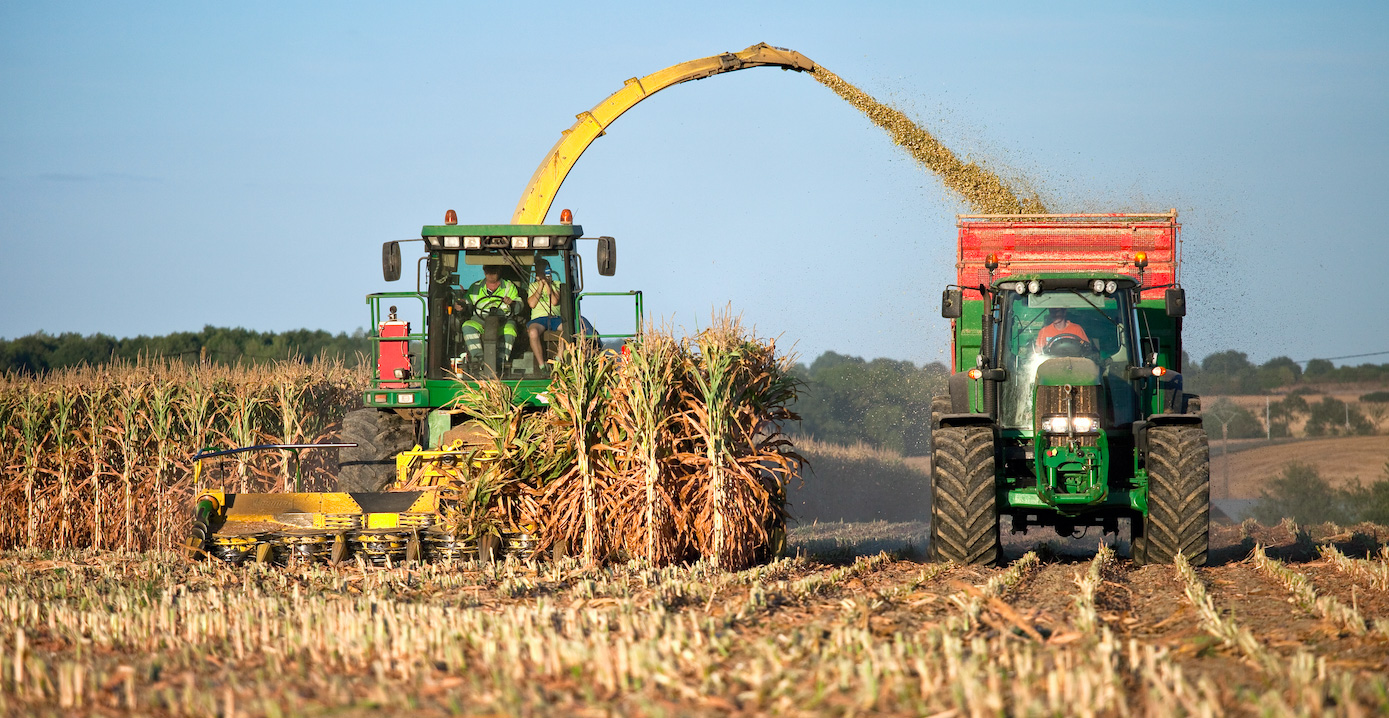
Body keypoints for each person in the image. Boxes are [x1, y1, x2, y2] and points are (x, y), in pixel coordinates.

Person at [458, 265, 522, 368]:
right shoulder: (476, 287)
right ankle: (479, 359)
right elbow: (466, 302)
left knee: (510, 329)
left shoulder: (509, 286)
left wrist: (512, 303)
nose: (491, 274)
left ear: (499, 271)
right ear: (484, 271)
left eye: (494, 271)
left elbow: (519, 307)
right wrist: (461, 304)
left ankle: (501, 361)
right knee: (467, 326)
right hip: (480, 320)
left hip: (503, 320)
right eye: (488, 271)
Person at [526, 258, 562, 367]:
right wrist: (540, 285)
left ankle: (558, 358)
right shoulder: (532, 286)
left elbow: (554, 301)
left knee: (567, 329)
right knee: (533, 332)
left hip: (555, 317)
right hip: (538, 319)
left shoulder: (557, 284)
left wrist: (547, 284)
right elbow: (532, 304)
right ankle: (542, 365)